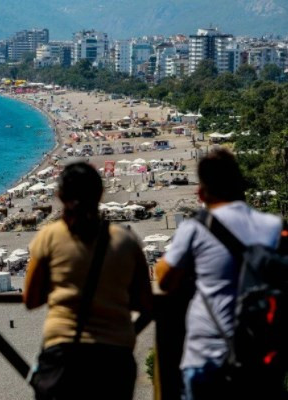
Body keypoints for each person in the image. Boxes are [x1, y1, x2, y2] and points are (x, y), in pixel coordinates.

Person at [156, 149, 285, 399]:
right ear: (241, 186)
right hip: (262, 352)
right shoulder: (274, 227)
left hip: (208, 352)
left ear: (201, 192)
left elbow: (164, 278)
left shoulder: (196, 227)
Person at [24, 162, 152, 400]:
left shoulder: (49, 237)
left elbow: (31, 299)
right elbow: (144, 301)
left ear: (60, 195)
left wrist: (65, 283)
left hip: (63, 351)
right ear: (100, 194)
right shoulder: (126, 241)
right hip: (115, 356)